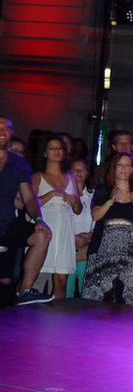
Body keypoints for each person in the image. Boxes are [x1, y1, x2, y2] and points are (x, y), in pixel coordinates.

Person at [82, 151, 133, 305]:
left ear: (132, 169)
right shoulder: (103, 189)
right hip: (105, 249)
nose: (123, 169)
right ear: (114, 168)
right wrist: (110, 201)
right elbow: (96, 216)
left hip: (131, 250)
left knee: (128, 297)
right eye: (120, 165)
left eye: (127, 165)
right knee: (100, 296)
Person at [0, 115, 53, 304]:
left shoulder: (18, 163)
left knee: (42, 235)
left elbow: (29, 197)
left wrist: (39, 219)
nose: (2, 132)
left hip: (6, 224)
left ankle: (25, 291)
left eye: (6, 128)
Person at [32, 135, 82, 299]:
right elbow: (30, 203)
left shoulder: (71, 179)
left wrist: (75, 201)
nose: (56, 151)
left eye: (59, 147)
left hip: (64, 231)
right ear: (45, 153)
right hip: (45, 228)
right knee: (37, 278)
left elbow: (78, 210)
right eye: (51, 148)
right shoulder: (37, 177)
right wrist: (53, 193)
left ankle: (57, 312)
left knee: (61, 280)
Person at [66, 158, 94, 298]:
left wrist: (91, 235)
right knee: (66, 294)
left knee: (87, 293)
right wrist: (73, 238)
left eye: (82, 169)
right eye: (75, 170)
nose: (78, 173)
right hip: (67, 252)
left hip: (86, 253)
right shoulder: (63, 195)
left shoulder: (94, 194)